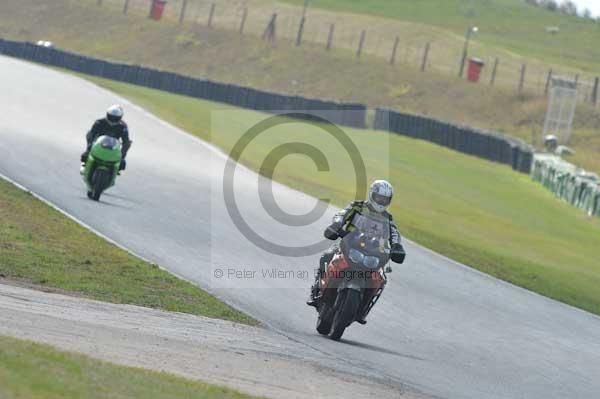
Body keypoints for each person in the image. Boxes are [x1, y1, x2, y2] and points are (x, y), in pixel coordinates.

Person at [307, 179, 406, 307]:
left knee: (381, 277)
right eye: (379, 198)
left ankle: (365, 305)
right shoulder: (357, 206)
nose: (381, 202)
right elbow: (341, 215)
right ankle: (316, 290)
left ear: (389, 200)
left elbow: (394, 233)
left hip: (373, 251)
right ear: (372, 195)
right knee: (327, 256)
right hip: (349, 244)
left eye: (384, 199)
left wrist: (397, 246)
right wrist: (336, 225)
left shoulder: (387, 218)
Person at [81, 105, 132, 171]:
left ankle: (119, 162)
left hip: (113, 147)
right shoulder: (99, 122)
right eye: (111, 117)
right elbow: (92, 134)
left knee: (127, 146)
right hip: (98, 144)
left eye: (115, 118)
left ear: (120, 118)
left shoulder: (123, 127)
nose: (112, 120)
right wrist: (89, 147)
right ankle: (88, 152)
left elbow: (126, 141)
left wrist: (122, 156)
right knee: (89, 135)